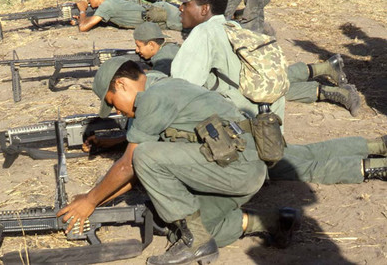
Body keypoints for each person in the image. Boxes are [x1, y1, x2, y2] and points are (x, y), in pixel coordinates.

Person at [59, 57, 386, 264]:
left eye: (112, 102)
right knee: (184, 227)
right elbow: (137, 174)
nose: (115, 110)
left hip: (236, 167)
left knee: (147, 159)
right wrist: (95, 203)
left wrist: (90, 200)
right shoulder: (161, 85)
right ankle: (272, 222)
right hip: (237, 166)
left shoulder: (154, 98)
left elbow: (133, 163)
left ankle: (199, 243)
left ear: (120, 84)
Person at [170, 0, 361, 120]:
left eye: (186, 4)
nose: (181, 8)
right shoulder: (233, 27)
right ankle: (325, 72)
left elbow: (179, 90)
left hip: (243, 119)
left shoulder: (204, 33)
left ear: (204, 9)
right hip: (267, 115)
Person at [72, 0, 182, 32]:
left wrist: (82, 10)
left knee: (195, 25)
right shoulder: (112, 0)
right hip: (161, 13)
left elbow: (83, 28)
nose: (88, 0)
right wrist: (82, 19)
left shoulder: (107, 5)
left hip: (166, 15)